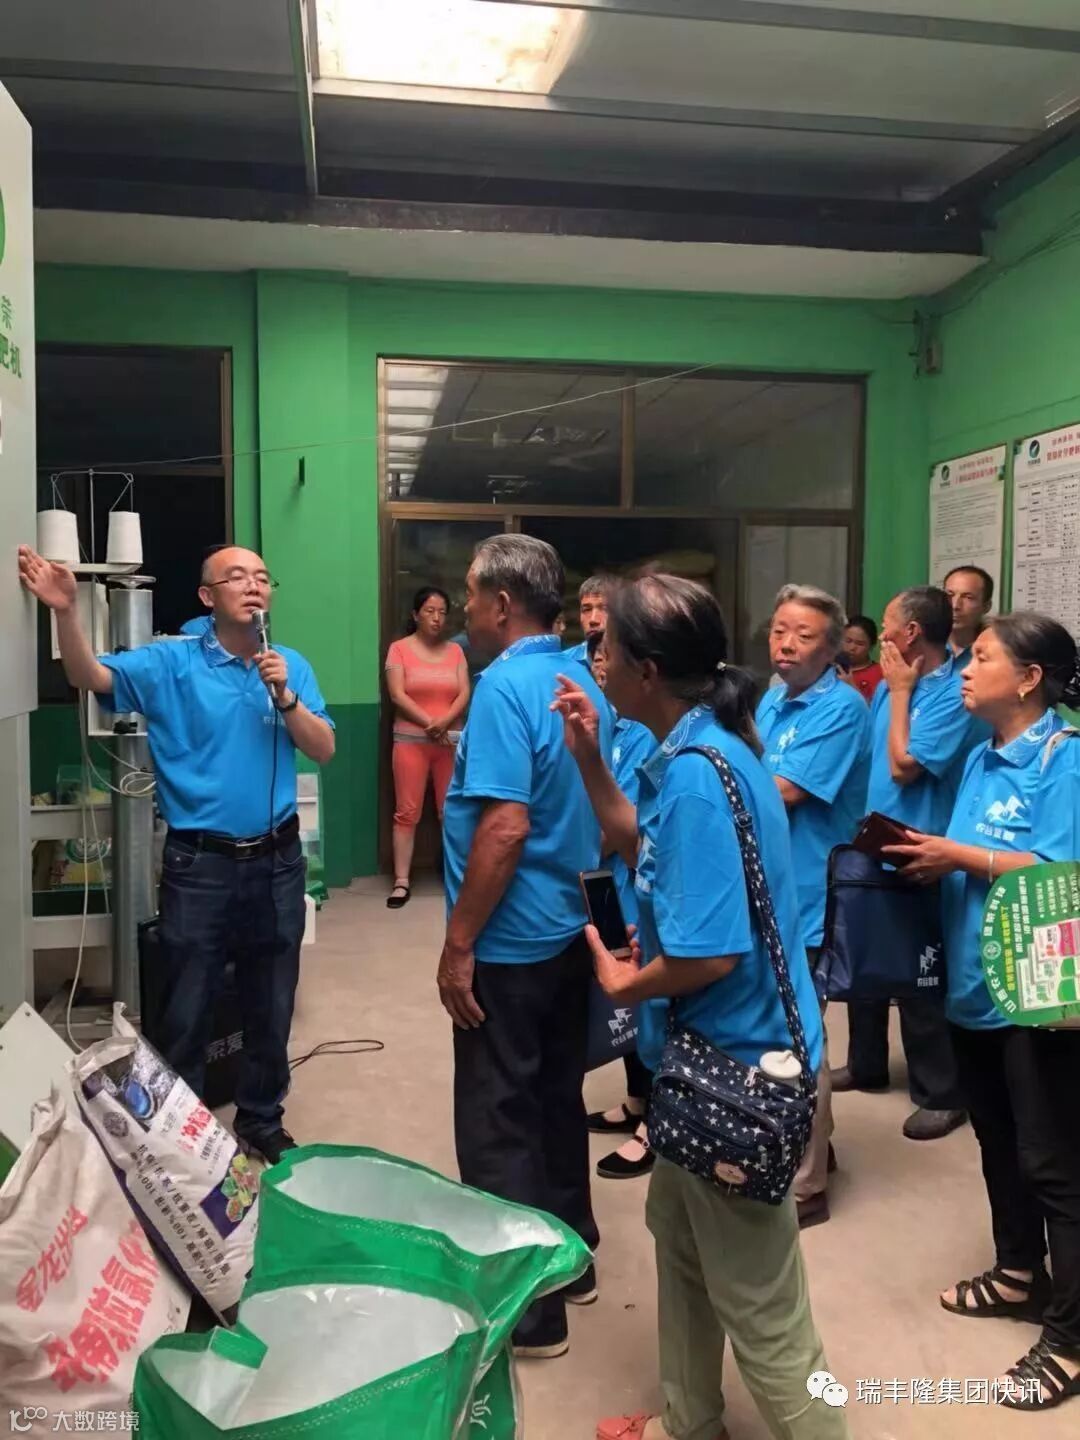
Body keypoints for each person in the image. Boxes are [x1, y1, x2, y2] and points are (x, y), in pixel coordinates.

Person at [553, 574, 846, 1440]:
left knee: (766, 1314)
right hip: (699, 1070)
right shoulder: (702, 745)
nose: (595, 658)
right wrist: (588, 756)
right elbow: (641, 848)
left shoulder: (697, 775)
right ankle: (689, 1420)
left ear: (646, 670)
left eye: (606, 647)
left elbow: (711, 954)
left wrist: (627, 985)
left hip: (738, 1077)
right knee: (680, 1245)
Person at [18, 543, 335, 1165]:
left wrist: (286, 698)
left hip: (277, 862)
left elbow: (322, 748)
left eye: (262, 577)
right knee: (186, 1004)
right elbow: (90, 677)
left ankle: (262, 1121)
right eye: (236, 577)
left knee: (272, 1001)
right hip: (200, 866)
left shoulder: (289, 665)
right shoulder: (171, 663)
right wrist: (65, 612)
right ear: (207, 597)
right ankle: (179, 1136)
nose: (253, 585)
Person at [885, 613, 1080, 1412]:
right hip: (971, 980)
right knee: (997, 1143)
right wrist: (926, 859)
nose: (966, 669)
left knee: (1055, 1162)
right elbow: (972, 854)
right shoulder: (978, 756)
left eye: (985, 658)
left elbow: (1060, 869)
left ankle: (1069, 1339)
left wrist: (956, 855)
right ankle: (1017, 1270)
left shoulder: (1064, 760)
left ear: (1029, 679)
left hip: (1034, 996)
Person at [439, 534, 613, 1360]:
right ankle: (574, 1258)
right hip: (571, 928)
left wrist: (458, 943)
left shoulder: (505, 687)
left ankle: (531, 1314)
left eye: (472, 596)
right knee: (553, 1098)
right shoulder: (581, 680)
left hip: (511, 944)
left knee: (498, 1117)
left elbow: (505, 829)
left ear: (502, 604)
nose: (466, 609)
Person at [835, 585, 977, 1142]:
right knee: (865, 954)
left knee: (920, 969)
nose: (882, 636)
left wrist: (899, 693)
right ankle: (866, 1063)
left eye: (889, 625)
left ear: (911, 633)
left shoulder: (952, 693)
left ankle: (940, 1093)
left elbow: (903, 766)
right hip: (874, 834)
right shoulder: (891, 686)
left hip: (921, 844)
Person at [756, 585, 872, 1229]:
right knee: (780, 1027)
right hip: (771, 890)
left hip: (809, 895)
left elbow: (781, 790)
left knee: (799, 1033)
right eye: (779, 630)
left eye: (803, 635)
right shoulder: (773, 698)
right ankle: (812, 1145)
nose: (786, 644)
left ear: (831, 649)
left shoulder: (841, 707)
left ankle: (806, 1187)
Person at [584, 629, 658, 1181]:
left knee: (647, 991)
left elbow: (623, 818)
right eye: (594, 658)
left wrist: (574, 846)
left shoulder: (642, 732)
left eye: (608, 657)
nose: (600, 667)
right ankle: (636, 1099)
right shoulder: (597, 722)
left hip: (630, 874)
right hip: (602, 880)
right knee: (620, 991)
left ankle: (655, 1124)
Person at [384, 586, 470, 909]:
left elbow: (464, 692)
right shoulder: (399, 649)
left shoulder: (456, 651)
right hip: (410, 742)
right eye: (430, 611)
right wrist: (430, 723)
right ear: (415, 614)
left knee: (452, 812)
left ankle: (456, 877)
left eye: (442, 612)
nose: (436, 618)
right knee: (407, 812)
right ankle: (401, 881)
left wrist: (444, 722)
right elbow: (397, 694)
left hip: (450, 743)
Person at [943, 563, 993, 666]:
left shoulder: (997, 652)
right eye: (950, 595)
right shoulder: (925, 646)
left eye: (968, 597)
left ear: (986, 606)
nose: (955, 605)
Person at [564, 574, 614, 666]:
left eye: (604, 609)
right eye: (587, 610)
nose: (593, 620)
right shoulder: (564, 662)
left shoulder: (635, 663)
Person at [841, 614, 883, 702]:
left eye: (860, 644)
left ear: (871, 646)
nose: (852, 647)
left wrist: (851, 686)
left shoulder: (880, 674)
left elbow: (877, 708)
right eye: (848, 641)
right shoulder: (830, 667)